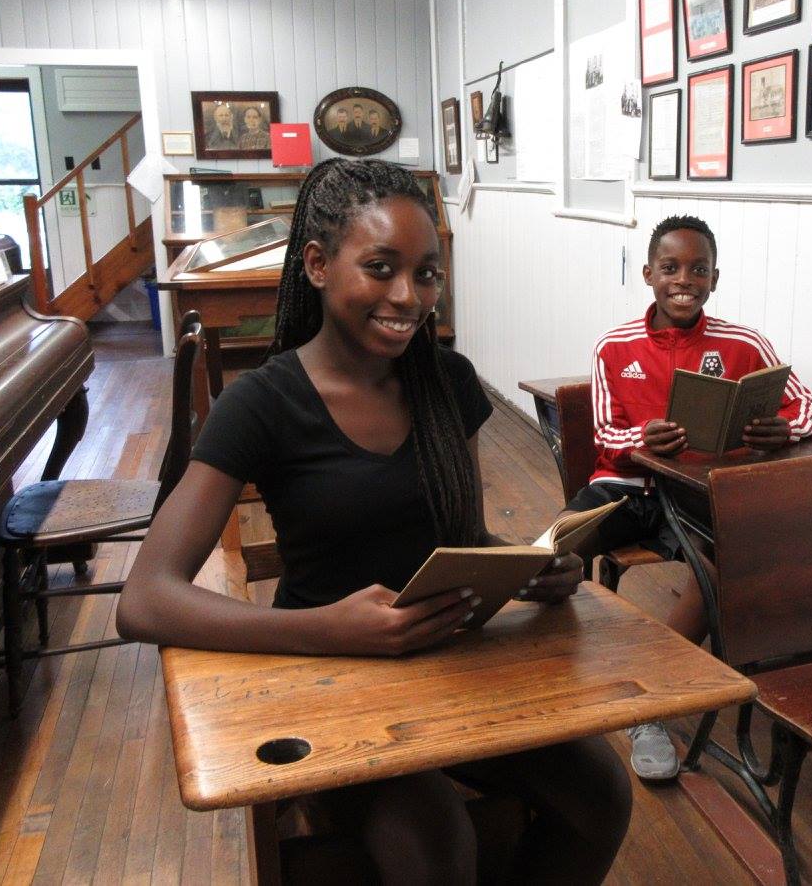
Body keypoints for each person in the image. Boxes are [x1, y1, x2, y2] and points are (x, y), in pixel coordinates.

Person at [117, 158, 631, 884]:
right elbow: (145, 599)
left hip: (453, 665)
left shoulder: (446, 382)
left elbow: (455, 534)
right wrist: (327, 629)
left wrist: (521, 565)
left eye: (426, 274)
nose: (407, 296)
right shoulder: (263, 404)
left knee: (601, 797)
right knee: (435, 846)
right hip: (330, 681)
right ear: (319, 265)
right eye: (381, 268)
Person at [563, 213, 812, 782]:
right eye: (672, 267)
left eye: (698, 269)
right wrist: (644, 438)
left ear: (715, 278)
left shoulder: (744, 342)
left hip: (698, 494)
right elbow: (605, 432)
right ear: (649, 274)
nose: (685, 279)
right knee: (559, 542)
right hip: (627, 488)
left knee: (723, 561)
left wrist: (787, 430)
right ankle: (564, 678)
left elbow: (808, 408)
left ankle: (648, 699)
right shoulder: (614, 346)